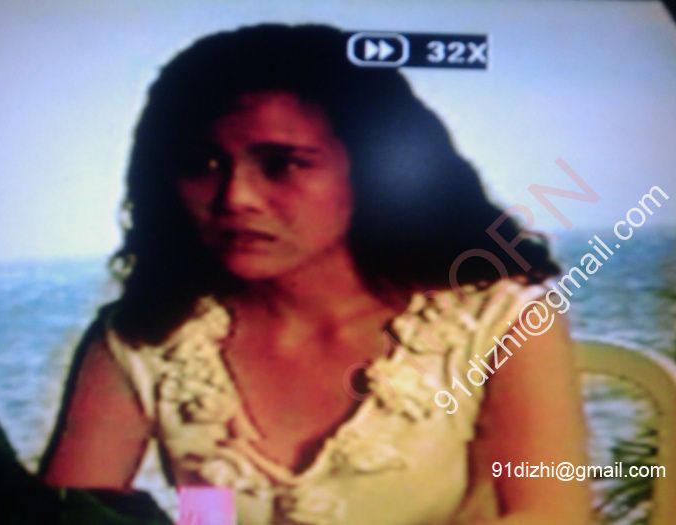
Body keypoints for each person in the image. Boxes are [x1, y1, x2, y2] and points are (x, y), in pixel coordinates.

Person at [39, 23, 590, 524]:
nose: (236, 197)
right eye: (203, 164)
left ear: (372, 171)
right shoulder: (145, 339)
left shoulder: (501, 319)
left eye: (282, 164)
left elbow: (550, 515)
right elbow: (65, 515)